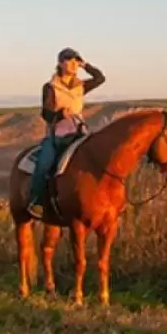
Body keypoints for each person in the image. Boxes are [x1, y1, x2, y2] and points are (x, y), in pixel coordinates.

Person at [28, 48, 106, 217]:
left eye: (75, 61)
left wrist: (86, 65)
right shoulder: (50, 87)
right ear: (60, 63)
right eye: (69, 60)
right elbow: (46, 113)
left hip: (79, 130)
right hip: (57, 133)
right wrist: (59, 114)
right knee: (44, 162)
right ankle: (37, 201)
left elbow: (100, 78)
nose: (73, 64)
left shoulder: (81, 86)